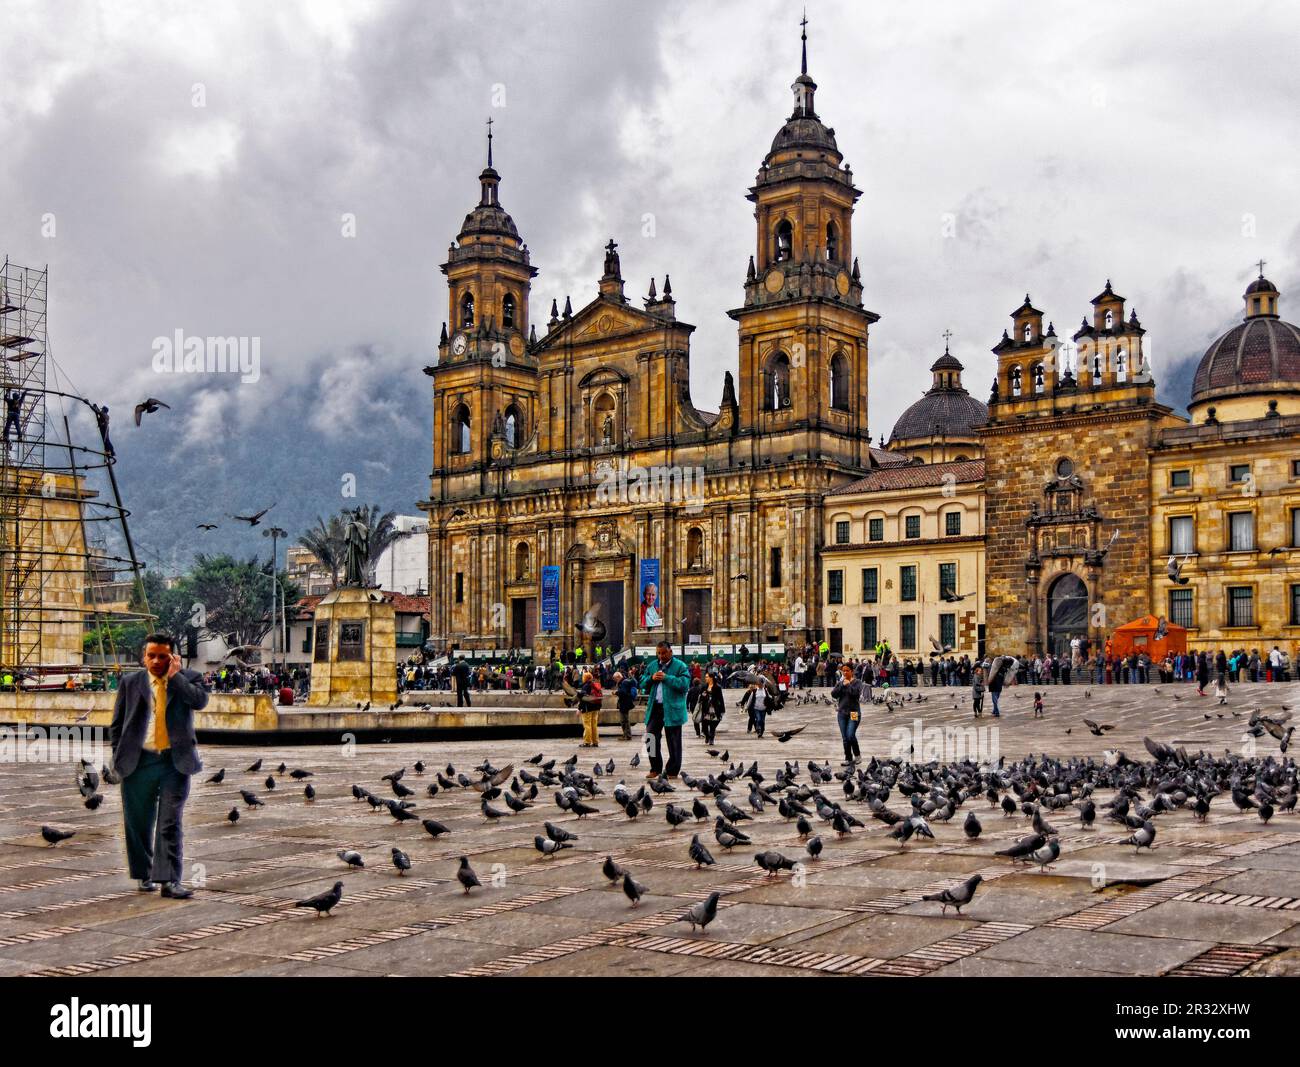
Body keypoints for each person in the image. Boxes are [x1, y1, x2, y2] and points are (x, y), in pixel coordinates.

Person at [108, 633, 208, 898]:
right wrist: (118, 755)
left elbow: (199, 701)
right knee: (138, 822)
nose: (155, 661)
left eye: (162, 656)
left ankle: (169, 881)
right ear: (144, 657)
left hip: (174, 764)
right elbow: (117, 723)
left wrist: (175, 678)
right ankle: (143, 873)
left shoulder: (189, 679)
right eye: (151, 655)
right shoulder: (131, 683)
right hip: (137, 762)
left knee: (169, 822)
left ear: (173, 657)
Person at [643, 641, 689, 779]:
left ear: (670, 652)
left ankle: (672, 770)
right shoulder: (652, 666)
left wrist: (667, 678)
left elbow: (684, 685)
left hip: (672, 708)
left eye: (663, 653)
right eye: (658, 653)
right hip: (655, 707)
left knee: (674, 740)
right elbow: (642, 682)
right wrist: (651, 678)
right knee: (650, 737)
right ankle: (655, 768)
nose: (661, 656)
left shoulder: (680, 666)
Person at [831, 664, 863, 764]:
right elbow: (834, 694)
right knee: (845, 738)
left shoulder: (857, 682)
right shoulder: (840, 683)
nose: (845, 673)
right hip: (842, 714)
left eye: (847, 671)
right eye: (843, 671)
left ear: (852, 671)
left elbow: (855, 694)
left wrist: (848, 684)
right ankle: (848, 758)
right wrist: (841, 685)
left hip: (854, 713)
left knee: (850, 735)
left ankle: (857, 755)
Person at [701, 672, 726, 746]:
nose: (705, 678)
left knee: (712, 725)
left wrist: (722, 709)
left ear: (711, 678)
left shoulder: (717, 687)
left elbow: (721, 699)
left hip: (714, 708)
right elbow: (701, 697)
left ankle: (711, 739)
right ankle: (707, 736)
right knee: (704, 725)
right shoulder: (704, 686)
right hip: (706, 708)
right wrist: (703, 695)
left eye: (707, 677)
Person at [578, 671, 602, 747]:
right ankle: (595, 742)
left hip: (588, 708)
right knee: (594, 725)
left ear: (584, 678)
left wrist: (579, 708)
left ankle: (587, 742)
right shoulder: (595, 684)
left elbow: (583, 698)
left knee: (587, 725)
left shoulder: (586, 686)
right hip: (596, 707)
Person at [614, 670, 639, 741]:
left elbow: (623, 693)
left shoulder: (624, 682)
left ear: (618, 677)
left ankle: (627, 735)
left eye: (615, 678)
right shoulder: (625, 681)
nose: (615, 680)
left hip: (624, 703)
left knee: (624, 720)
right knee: (625, 720)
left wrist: (616, 692)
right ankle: (627, 735)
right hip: (626, 703)